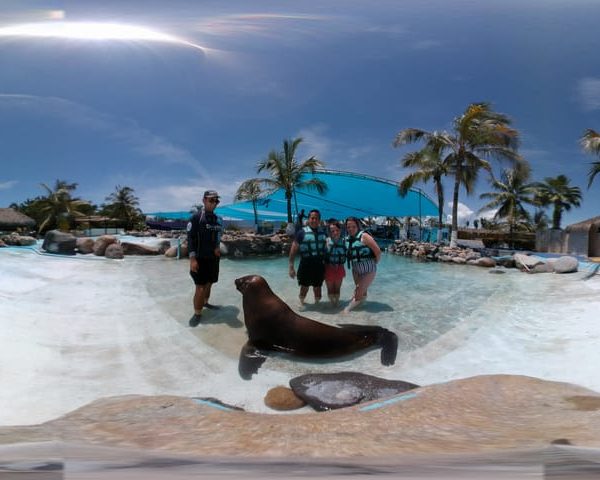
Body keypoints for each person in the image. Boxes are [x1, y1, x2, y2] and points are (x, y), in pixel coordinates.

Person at [187, 190, 223, 327]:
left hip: (213, 258)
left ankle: (206, 303)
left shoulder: (217, 219)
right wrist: (192, 259)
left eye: (216, 201)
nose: (214, 203)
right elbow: (190, 239)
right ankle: (197, 313)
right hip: (199, 258)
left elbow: (217, 236)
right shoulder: (196, 218)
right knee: (200, 287)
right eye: (211, 200)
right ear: (204, 200)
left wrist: (217, 247)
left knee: (209, 283)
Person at [288, 209, 327, 307]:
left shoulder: (323, 233)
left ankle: (317, 306)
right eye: (312, 218)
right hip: (305, 265)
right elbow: (293, 250)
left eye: (316, 218)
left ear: (319, 220)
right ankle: (301, 304)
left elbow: (327, 249)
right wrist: (291, 267)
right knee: (304, 287)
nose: (314, 220)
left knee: (318, 288)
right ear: (308, 219)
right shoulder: (301, 233)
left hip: (319, 265)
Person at [344, 216, 381, 313]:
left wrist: (374, 263)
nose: (351, 229)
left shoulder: (364, 236)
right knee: (360, 290)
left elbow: (378, 251)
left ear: (358, 226)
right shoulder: (347, 239)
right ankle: (362, 307)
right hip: (356, 269)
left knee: (358, 293)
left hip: (369, 269)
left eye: (353, 226)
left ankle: (347, 310)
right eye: (348, 227)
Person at [324, 219, 346, 307]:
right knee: (330, 289)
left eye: (337, 230)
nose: (335, 232)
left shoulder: (344, 242)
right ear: (329, 232)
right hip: (328, 268)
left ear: (340, 230)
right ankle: (331, 304)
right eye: (332, 231)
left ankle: (336, 304)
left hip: (339, 267)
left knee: (337, 289)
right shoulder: (326, 242)